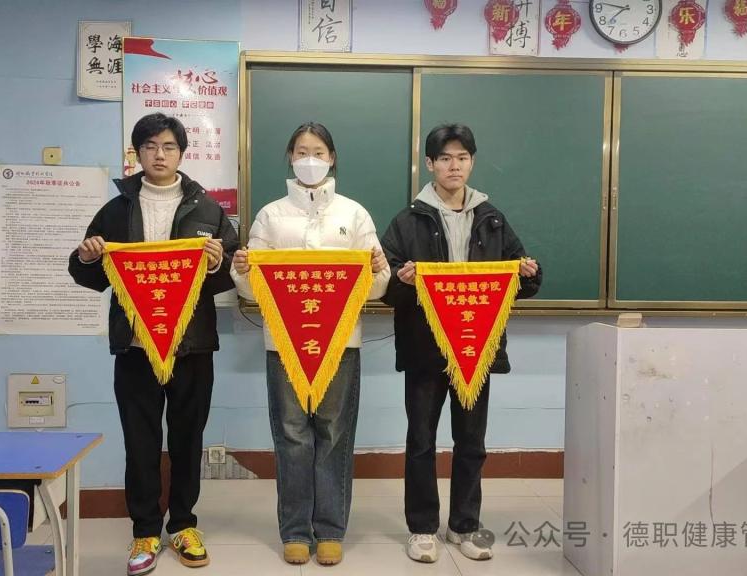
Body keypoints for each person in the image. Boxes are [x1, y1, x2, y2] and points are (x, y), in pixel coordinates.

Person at [68, 112, 238, 575]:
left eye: (168, 146)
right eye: (149, 147)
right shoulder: (116, 210)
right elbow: (89, 275)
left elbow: (230, 274)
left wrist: (216, 263)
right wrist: (87, 257)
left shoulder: (207, 209)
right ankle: (144, 530)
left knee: (188, 438)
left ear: (182, 153)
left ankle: (183, 525)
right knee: (140, 440)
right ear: (137, 153)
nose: (159, 155)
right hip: (135, 346)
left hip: (191, 346)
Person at [380, 124, 542, 564]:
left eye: (463, 158)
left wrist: (528, 273)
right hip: (425, 349)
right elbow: (384, 286)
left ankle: (464, 525)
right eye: (446, 158)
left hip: (476, 348)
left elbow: (520, 279)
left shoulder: (492, 218)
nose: (455, 166)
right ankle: (422, 528)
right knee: (421, 440)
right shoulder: (408, 220)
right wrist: (402, 280)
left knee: (471, 442)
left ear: (472, 162)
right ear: (430, 164)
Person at [230, 122, 390, 566]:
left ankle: (331, 529)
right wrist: (242, 269)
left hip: (341, 344)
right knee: (292, 435)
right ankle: (295, 530)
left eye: (318, 152)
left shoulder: (354, 214)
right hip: (283, 345)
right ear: (289, 157)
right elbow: (251, 288)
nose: (310, 160)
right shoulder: (270, 215)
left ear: (332, 158)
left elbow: (377, 288)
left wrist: (378, 268)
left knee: (334, 433)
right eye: (301, 151)